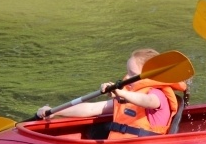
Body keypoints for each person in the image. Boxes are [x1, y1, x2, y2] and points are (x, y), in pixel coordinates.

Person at [36, 48, 188, 139]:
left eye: (132, 74)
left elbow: (146, 101)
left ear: (151, 77)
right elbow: (91, 109)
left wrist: (120, 92)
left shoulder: (157, 95)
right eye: (127, 72)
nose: (127, 77)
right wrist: (56, 111)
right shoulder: (127, 94)